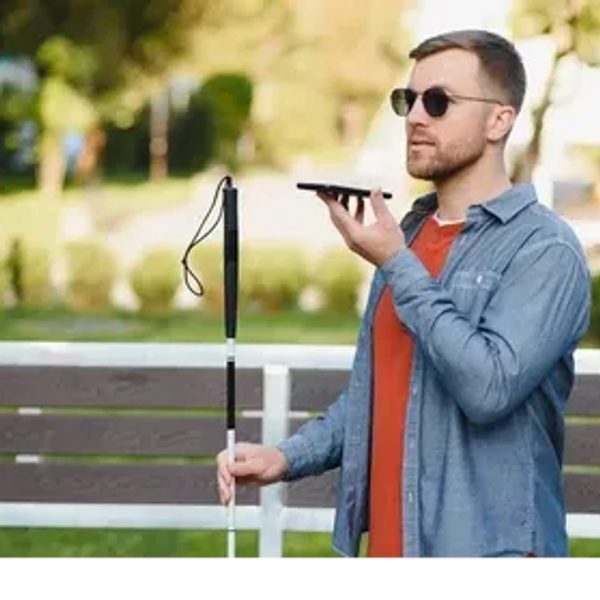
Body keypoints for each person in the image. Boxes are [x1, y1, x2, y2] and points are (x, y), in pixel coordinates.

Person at [216, 28, 592, 562]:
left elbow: (489, 388)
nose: (416, 116)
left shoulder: (543, 248)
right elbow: (385, 388)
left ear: (499, 120)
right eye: (407, 100)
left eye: (438, 102)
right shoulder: (408, 234)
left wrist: (396, 263)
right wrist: (284, 457)